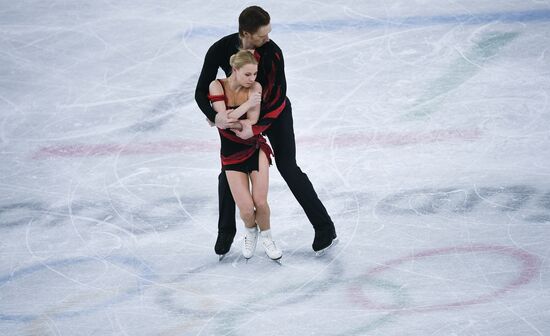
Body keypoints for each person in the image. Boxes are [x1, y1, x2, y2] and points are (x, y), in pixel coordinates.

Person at [195, 5, 337, 259]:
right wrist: (214, 115)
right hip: (238, 119)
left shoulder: (273, 53)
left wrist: (255, 127)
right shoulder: (220, 49)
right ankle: (226, 231)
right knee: (228, 171)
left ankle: (324, 227)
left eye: (268, 33)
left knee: (288, 166)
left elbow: (278, 96)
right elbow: (200, 91)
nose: (267, 38)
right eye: (262, 35)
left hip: (274, 114)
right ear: (245, 33)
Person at [207, 50, 282, 260]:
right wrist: (247, 106)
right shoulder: (217, 85)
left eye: (255, 74)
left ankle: (267, 236)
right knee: (247, 209)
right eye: (247, 74)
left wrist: (227, 119)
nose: (253, 79)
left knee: (260, 201)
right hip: (231, 155)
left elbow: (251, 121)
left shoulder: (256, 87)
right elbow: (223, 121)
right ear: (235, 69)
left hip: (255, 148)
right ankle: (251, 231)